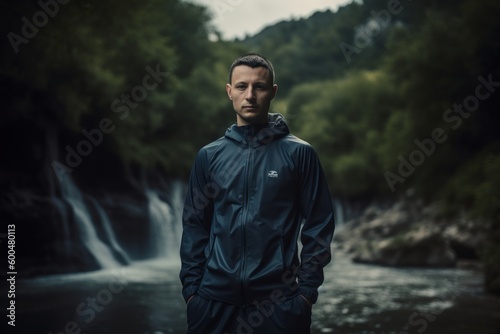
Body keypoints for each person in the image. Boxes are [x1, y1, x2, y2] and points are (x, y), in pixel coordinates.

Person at [179, 53, 335, 334]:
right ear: (229, 92)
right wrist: (192, 292)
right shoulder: (208, 156)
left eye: (259, 87)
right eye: (241, 86)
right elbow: (194, 225)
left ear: (273, 92)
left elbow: (319, 224)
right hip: (212, 303)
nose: (249, 95)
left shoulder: (300, 154)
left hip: (280, 304)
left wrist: (305, 294)